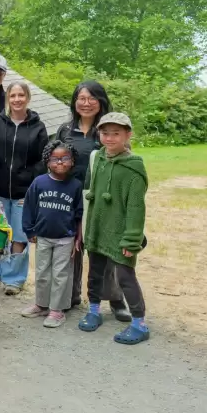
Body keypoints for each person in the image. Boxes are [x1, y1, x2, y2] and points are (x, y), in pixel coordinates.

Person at [54, 80, 128, 320]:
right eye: (81, 98)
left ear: (101, 101)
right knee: (70, 249)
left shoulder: (108, 130)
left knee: (105, 250)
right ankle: (70, 295)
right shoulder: (65, 130)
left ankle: (115, 299)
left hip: (102, 200)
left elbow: (124, 164)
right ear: (74, 102)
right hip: (69, 198)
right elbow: (54, 162)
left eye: (91, 98)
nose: (86, 103)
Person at [78, 113, 150, 344]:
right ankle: (94, 310)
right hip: (97, 228)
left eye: (116, 133)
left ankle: (139, 324)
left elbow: (136, 208)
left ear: (128, 135)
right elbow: (92, 195)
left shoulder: (133, 168)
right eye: (105, 133)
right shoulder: (99, 158)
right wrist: (87, 228)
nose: (109, 138)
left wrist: (132, 240)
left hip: (120, 234)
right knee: (95, 273)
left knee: (125, 277)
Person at [0, 80, 48, 294]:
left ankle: (14, 279)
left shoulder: (38, 127)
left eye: (21, 95)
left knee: (20, 236)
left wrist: (32, 182)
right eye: (13, 95)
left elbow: (43, 160)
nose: (17, 99)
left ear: (28, 98)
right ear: (7, 98)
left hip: (24, 192)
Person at [21, 141, 83, 328]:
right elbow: (29, 207)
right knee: (42, 273)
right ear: (47, 162)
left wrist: (78, 238)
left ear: (72, 161)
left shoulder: (75, 185)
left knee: (61, 274)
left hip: (65, 238)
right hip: (43, 237)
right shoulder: (39, 182)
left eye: (65, 158)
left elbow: (79, 214)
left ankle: (57, 310)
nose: (60, 162)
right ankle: (41, 304)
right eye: (55, 159)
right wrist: (29, 230)